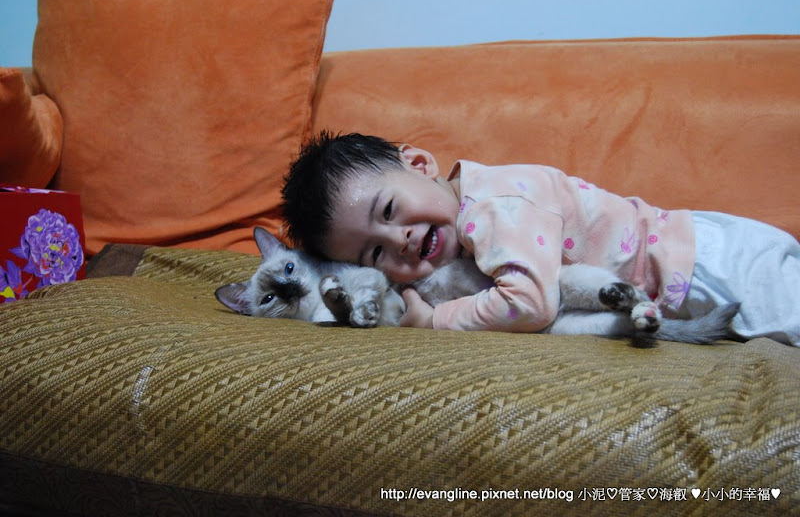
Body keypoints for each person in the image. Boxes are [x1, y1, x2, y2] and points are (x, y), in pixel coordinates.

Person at [281, 131, 800, 346]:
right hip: (695, 258)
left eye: (390, 211)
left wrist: (433, 319)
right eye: (374, 252)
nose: (401, 240)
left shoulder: (493, 209)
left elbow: (529, 304)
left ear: (418, 164)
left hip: (707, 265)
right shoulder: (467, 216)